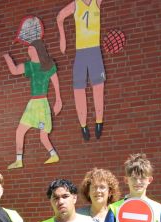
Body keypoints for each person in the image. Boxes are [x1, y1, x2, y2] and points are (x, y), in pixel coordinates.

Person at [4, 39, 63, 169]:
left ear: (38, 50)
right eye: (28, 49)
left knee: (43, 135)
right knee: (20, 131)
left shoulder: (48, 65)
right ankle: (18, 160)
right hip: (32, 105)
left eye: (32, 49)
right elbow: (14, 70)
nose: (29, 51)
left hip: (41, 105)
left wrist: (58, 99)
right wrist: (7, 57)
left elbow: (55, 82)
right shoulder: (29, 66)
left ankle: (53, 155)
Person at [57, 0, 106, 141]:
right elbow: (59, 16)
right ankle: (83, 125)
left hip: (95, 50)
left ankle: (99, 121)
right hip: (81, 52)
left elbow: (60, 16)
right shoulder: (76, 4)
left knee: (98, 87)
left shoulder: (96, 2)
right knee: (78, 89)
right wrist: (62, 38)